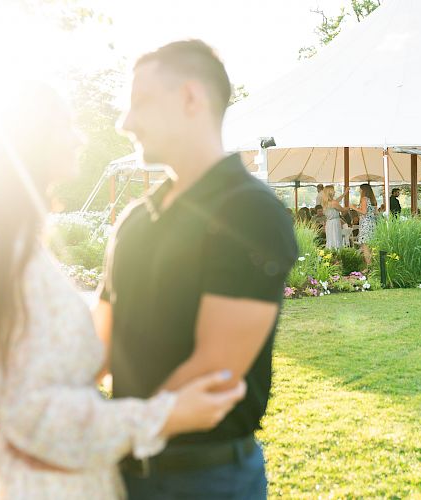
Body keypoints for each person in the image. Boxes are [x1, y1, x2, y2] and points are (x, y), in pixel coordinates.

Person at [0, 82, 246, 500]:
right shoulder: (1, 256)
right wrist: (166, 415)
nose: (79, 137)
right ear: (30, 139)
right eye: (66, 125)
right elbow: (39, 413)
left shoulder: (19, 250)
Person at [94, 40, 298, 499]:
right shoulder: (135, 219)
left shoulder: (249, 212)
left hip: (204, 480)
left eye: (140, 103)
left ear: (190, 98)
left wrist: (106, 435)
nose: (125, 123)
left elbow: (214, 371)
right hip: (120, 471)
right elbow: (97, 349)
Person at [350, 184, 377, 269]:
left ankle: (368, 267)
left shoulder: (364, 199)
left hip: (365, 224)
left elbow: (364, 212)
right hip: (372, 224)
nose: (359, 191)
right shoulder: (373, 200)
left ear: (363, 190)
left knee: (365, 246)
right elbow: (375, 213)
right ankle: (373, 266)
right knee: (371, 246)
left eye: (360, 189)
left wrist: (353, 207)